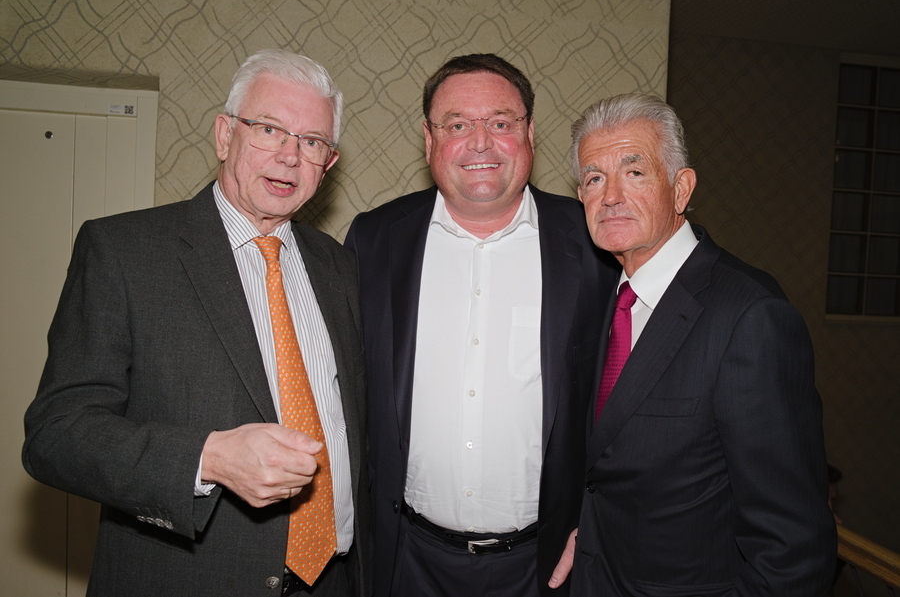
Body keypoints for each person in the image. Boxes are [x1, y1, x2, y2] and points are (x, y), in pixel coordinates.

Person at [22, 49, 371, 597]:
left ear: (327, 163)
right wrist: (208, 458)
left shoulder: (341, 268)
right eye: (269, 129)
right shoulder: (124, 251)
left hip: (334, 581)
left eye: (312, 141)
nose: (289, 156)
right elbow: (56, 434)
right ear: (224, 135)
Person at [344, 53, 618, 597]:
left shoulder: (595, 244)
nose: (480, 143)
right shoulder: (374, 240)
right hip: (405, 560)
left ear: (530, 133)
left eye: (500, 122)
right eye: (457, 125)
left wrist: (603, 522)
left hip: (545, 566)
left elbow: (629, 400)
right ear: (428, 139)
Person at [564, 93, 837, 595]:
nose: (611, 196)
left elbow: (792, 547)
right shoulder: (606, 298)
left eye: (634, 172)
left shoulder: (750, 316)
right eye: (594, 178)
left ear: (681, 188)